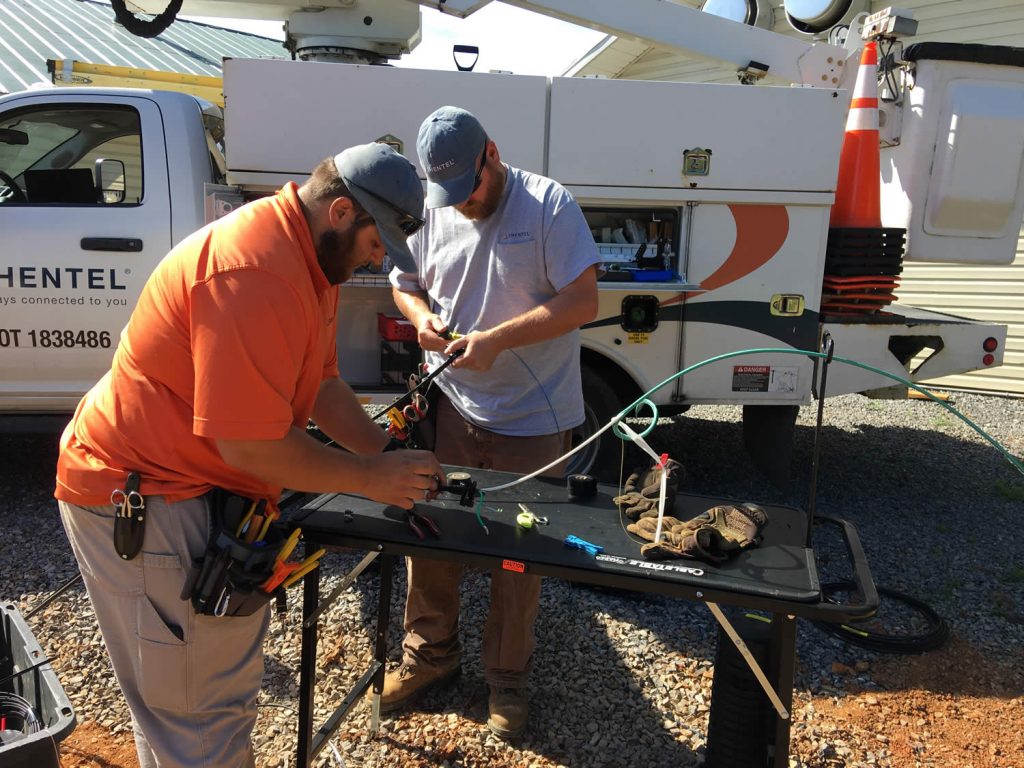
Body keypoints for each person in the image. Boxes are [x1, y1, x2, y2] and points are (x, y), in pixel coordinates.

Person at [54, 143, 445, 768]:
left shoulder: (309, 262)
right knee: (197, 717)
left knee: (192, 706)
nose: (378, 261)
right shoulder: (256, 271)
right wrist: (369, 478)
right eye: (378, 244)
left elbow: (319, 385)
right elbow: (249, 443)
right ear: (342, 211)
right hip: (146, 494)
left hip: (186, 484)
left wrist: (388, 452)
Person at [386, 106, 601, 738]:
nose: (462, 204)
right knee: (432, 532)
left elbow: (584, 300)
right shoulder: (435, 210)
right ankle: (430, 655)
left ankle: (507, 680)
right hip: (452, 407)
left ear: (493, 155)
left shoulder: (546, 204)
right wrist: (420, 318)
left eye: (470, 188)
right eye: (449, 194)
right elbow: (404, 281)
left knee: (517, 551)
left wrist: (499, 339)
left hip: (532, 420)